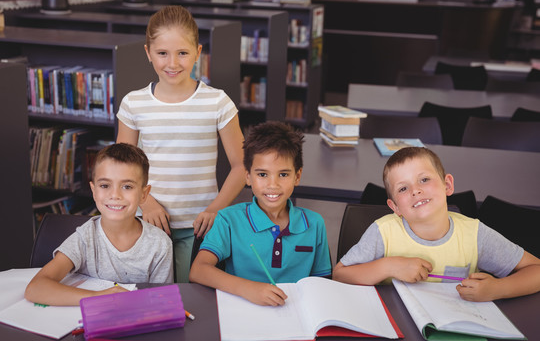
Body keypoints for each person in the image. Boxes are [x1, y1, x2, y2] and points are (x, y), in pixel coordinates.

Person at [116, 5, 245, 282]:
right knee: (147, 299)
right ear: (148, 53)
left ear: (198, 53)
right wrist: (146, 203)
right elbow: (121, 170)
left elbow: (241, 165)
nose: (172, 63)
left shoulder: (217, 102)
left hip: (199, 227)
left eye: (182, 53)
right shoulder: (133, 103)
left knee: (190, 300)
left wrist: (215, 210)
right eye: (162, 53)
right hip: (144, 222)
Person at [333, 147, 540, 302]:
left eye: (424, 180)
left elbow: (536, 270)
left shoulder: (474, 234)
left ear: (447, 185)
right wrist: (389, 266)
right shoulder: (383, 232)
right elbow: (340, 274)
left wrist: (498, 289)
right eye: (403, 189)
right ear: (395, 206)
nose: (415, 190)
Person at [189, 121, 332, 306]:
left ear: (297, 176)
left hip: (297, 316)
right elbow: (198, 270)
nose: (273, 184)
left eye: (283, 174)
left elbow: (322, 283)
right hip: (243, 310)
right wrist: (247, 288)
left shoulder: (314, 224)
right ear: (247, 176)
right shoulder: (228, 219)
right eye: (262, 174)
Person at [25, 143, 173, 306]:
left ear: (144, 194)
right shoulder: (84, 238)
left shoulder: (159, 244)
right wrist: (102, 297)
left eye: (127, 186)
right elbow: (35, 288)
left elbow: (162, 303)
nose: (115, 195)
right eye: (104, 185)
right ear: (93, 190)